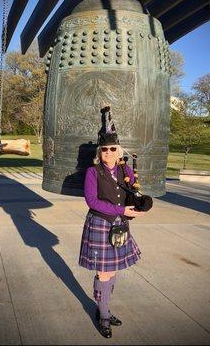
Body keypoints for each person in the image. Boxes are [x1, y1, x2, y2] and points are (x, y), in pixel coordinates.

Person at [79, 129, 145, 338]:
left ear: (118, 151)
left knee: (113, 270)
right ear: (100, 152)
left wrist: (138, 207)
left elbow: (132, 194)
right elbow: (92, 202)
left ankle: (102, 307)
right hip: (100, 223)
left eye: (112, 149)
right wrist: (121, 210)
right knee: (104, 272)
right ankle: (104, 316)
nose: (108, 152)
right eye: (104, 149)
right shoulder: (93, 171)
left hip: (121, 224)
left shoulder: (125, 171)